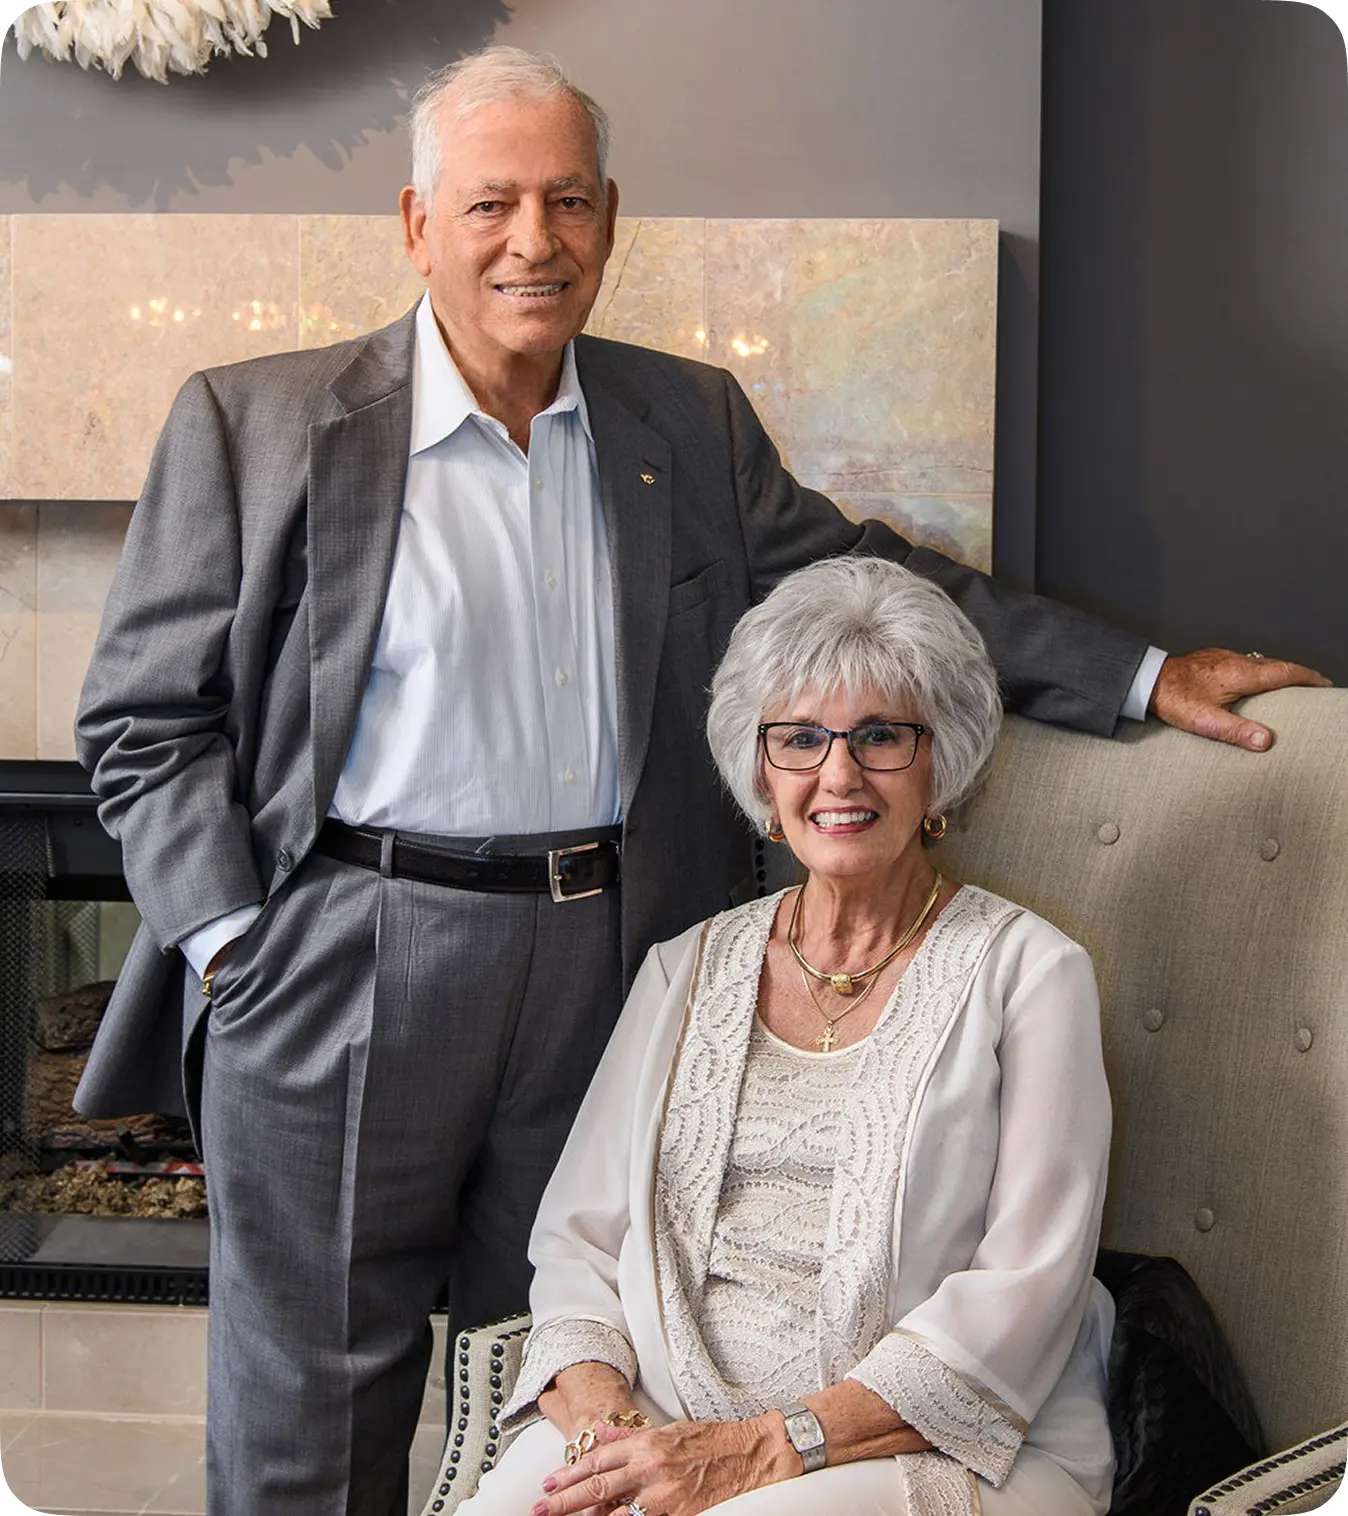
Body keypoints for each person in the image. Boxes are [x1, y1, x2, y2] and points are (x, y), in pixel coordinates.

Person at [71, 44, 1324, 1516]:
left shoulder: (689, 423)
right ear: (418, 224)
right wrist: (236, 947)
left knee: (564, 1385)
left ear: (611, 217)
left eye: (568, 202)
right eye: (489, 206)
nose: (532, 243)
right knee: (303, 1425)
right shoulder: (258, 423)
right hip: (344, 954)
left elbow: (881, 588)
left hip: (612, 963)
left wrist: (1143, 674)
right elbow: (143, 721)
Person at [461, 556, 1114, 1516]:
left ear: (943, 765)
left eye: (881, 736)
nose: (838, 775)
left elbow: (1028, 1284)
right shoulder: (685, 969)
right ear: (764, 778)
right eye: (800, 739)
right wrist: (615, 1439)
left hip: (927, 1442)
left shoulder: (1033, 975)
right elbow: (580, 1246)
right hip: (661, 1413)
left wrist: (757, 1450)